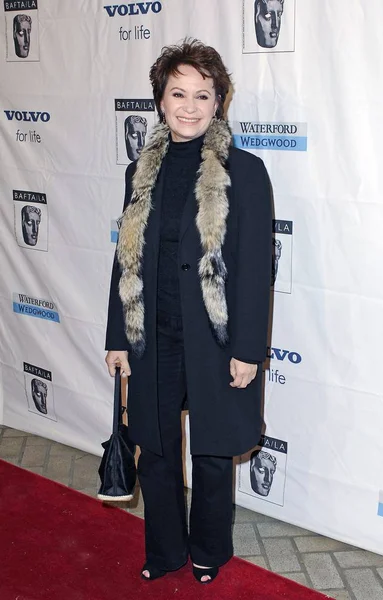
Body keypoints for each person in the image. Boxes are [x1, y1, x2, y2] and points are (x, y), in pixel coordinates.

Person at [105, 39, 272, 584]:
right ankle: (165, 550)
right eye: (179, 93)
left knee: (211, 451)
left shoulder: (244, 172)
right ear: (160, 100)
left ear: (219, 100)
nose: (190, 105)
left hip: (216, 340)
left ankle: (207, 550)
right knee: (154, 446)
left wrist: (248, 349)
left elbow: (253, 269)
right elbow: (125, 258)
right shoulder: (139, 172)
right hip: (152, 335)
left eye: (204, 94)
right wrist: (116, 335)